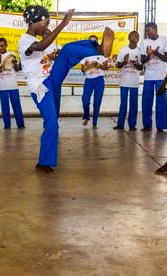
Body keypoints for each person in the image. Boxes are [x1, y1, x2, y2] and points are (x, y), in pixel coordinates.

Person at [18, 5, 114, 173]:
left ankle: (97, 48)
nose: (47, 27)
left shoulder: (43, 40)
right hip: (41, 86)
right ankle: (43, 162)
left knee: (68, 49)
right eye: (46, 23)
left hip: (52, 77)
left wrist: (53, 50)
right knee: (52, 123)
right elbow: (38, 47)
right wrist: (62, 24)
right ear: (34, 22)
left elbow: (50, 51)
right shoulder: (25, 40)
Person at [140, 22, 167, 132]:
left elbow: (166, 58)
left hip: (161, 76)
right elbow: (142, 60)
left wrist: (155, 52)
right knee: (146, 101)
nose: (147, 33)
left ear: (154, 29)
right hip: (148, 76)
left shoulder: (165, 40)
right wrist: (149, 55)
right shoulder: (144, 42)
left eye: (148, 30)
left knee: (161, 102)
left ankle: (161, 126)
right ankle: (147, 125)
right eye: (146, 31)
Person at [0, 37, 25, 129]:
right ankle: (7, 125)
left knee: (16, 106)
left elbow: (17, 69)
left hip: (13, 85)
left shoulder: (12, 54)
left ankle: (21, 124)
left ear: (6, 45)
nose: (0, 48)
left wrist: (15, 64)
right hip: (2, 86)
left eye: (2, 46)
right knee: (5, 107)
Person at [113, 30, 143, 131]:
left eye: (138, 36)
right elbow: (118, 65)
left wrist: (134, 64)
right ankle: (120, 124)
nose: (137, 37)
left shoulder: (140, 51)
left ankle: (132, 125)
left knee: (133, 104)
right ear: (129, 38)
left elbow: (141, 67)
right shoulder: (123, 50)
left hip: (134, 82)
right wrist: (124, 62)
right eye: (134, 36)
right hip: (124, 82)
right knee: (123, 104)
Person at [80, 35, 109, 129]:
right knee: (85, 100)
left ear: (97, 42)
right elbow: (82, 70)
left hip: (99, 80)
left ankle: (95, 122)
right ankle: (86, 116)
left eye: (94, 40)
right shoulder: (85, 54)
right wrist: (87, 66)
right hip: (89, 80)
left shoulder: (101, 53)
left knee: (97, 102)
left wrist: (97, 65)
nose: (92, 41)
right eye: (90, 40)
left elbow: (106, 67)